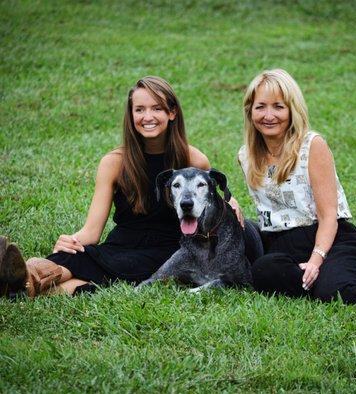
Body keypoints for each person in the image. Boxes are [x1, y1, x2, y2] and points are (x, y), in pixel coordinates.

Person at [1, 76, 213, 297]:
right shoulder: (114, 162)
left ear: (172, 113)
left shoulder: (193, 160)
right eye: (139, 109)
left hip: (167, 251)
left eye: (157, 108)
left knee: (103, 271)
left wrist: (231, 201)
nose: (147, 116)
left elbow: (213, 198)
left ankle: (22, 286)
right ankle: (24, 278)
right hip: (120, 244)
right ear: (131, 115)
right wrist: (70, 241)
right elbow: (92, 232)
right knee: (77, 255)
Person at [238, 68, 356, 306]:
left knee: (334, 292)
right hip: (283, 245)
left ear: (292, 109)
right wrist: (230, 200)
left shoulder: (312, 146)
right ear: (250, 110)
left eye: (278, 106)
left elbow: (328, 216)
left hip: (331, 238)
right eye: (260, 106)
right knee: (262, 272)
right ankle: (316, 282)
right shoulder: (246, 156)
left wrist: (315, 260)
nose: (268, 115)